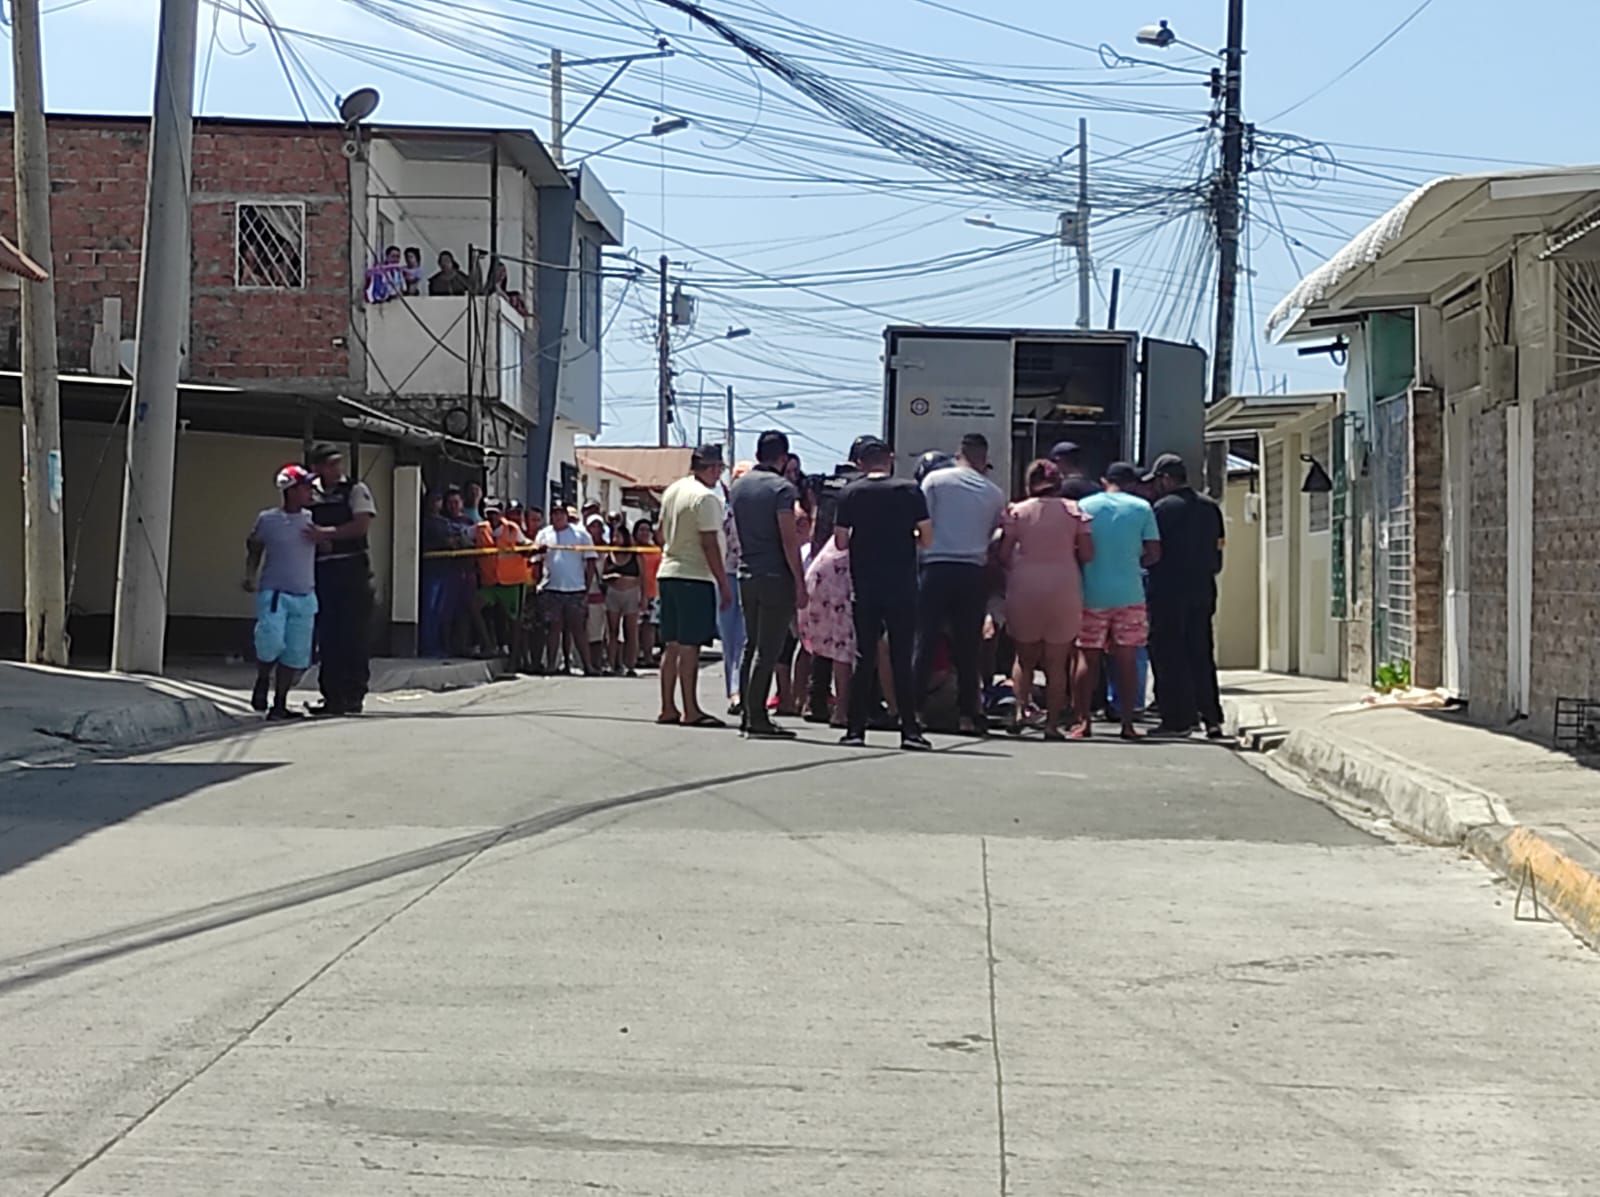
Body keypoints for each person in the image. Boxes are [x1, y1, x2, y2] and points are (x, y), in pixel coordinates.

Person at [834, 438, 933, 751]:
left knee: (864, 658)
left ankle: (855, 729)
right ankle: (910, 731)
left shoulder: (850, 492)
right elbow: (927, 538)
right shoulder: (909, 490)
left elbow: (839, 542)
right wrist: (908, 538)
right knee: (902, 657)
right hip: (902, 584)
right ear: (889, 459)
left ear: (861, 463)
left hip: (865, 585)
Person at [914, 432, 1005, 736]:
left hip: (935, 567)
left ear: (959, 453)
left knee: (924, 641)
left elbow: (920, 523)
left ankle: (914, 712)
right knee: (969, 647)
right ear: (984, 458)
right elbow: (994, 536)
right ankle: (968, 714)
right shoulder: (994, 493)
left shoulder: (936, 482)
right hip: (972, 572)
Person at [999, 459, 1095, 740]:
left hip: (1025, 585)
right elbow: (1088, 553)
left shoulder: (1017, 511)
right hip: (1063, 586)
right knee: (1057, 661)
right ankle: (1052, 725)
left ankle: (1019, 711)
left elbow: (1004, 554)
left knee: (1024, 657)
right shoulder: (1074, 511)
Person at [729, 431, 809, 739]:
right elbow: (789, 539)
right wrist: (800, 582)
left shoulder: (739, 486)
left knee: (751, 644)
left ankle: (749, 713)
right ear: (783, 457)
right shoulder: (782, 489)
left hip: (747, 571)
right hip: (775, 574)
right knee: (769, 648)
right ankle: (758, 716)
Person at [1074, 462, 1160, 740]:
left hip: (1092, 591)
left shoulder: (1084, 506)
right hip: (1130, 593)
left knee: (1087, 657)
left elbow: (1076, 547)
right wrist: (1134, 562)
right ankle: (1127, 723)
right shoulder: (1142, 508)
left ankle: (1083, 722)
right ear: (1132, 483)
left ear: (1104, 480)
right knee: (1127, 658)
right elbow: (1154, 552)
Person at [1145, 452, 1227, 739]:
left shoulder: (1162, 509)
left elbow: (1151, 552)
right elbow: (1218, 552)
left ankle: (1177, 718)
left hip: (1167, 591)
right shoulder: (1210, 508)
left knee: (1169, 654)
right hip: (1202, 589)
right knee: (1201, 652)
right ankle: (1211, 717)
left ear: (1166, 479)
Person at [656, 445, 733, 728]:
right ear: (712, 468)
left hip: (668, 570)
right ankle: (690, 708)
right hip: (694, 575)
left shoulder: (673, 490)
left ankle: (668, 706)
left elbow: (658, 532)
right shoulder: (706, 498)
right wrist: (723, 583)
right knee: (691, 646)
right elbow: (710, 543)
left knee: (672, 644)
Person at [243, 464, 321, 720]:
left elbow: (329, 546)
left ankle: (280, 703)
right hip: (275, 592)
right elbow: (255, 546)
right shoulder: (268, 520)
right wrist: (250, 575)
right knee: (270, 641)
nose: (310, 491)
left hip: (304, 593)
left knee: (296, 652)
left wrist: (323, 537)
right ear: (291, 490)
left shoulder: (312, 520)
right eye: (305, 486)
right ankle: (263, 677)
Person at [307, 444, 378, 717]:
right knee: (328, 637)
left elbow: (361, 525)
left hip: (353, 572)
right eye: (330, 464)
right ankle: (331, 696)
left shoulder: (355, 490)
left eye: (338, 463)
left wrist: (327, 534)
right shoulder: (310, 494)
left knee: (354, 636)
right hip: (323, 573)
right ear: (317, 468)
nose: (337, 469)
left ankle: (353, 694)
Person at [533, 505, 599, 675]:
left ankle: (588, 666)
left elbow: (591, 560)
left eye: (561, 513)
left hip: (575, 589)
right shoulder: (543, 534)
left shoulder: (581, 534)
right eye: (554, 514)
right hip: (551, 588)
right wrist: (537, 582)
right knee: (553, 628)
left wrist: (586, 585)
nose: (558, 517)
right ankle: (551, 665)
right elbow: (536, 560)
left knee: (578, 629)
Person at [474, 499, 530, 658]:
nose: (491, 517)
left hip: (511, 582)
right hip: (490, 582)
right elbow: (464, 536)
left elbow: (525, 543)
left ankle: (514, 660)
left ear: (501, 514)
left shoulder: (512, 529)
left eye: (495, 513)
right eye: (488, 513)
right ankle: (489, 645)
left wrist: (531, 548)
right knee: (474, 606)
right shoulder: (479, 529)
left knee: (514, 622)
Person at [603, 520, 644, 678]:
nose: (615, 539)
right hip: (613, 593)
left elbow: (643, 577)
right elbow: (603, 576)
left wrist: (644, 597)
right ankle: (611, 664)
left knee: (631, 631)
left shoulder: (635, 555)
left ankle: (630, 665)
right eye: (613, 536)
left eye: (618, 536)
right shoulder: (609, 555)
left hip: (631, 593)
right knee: (612, 631)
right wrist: (611, 576)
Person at [635, 517, 661, 669]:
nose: (644, 533)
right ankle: (635, 655)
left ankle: (648, 656)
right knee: (635, 627)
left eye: (647, 530)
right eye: (641, 530)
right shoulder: (631, 549)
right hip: (635, 592)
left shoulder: (656, 551)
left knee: (650, 627)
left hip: (653, 592)